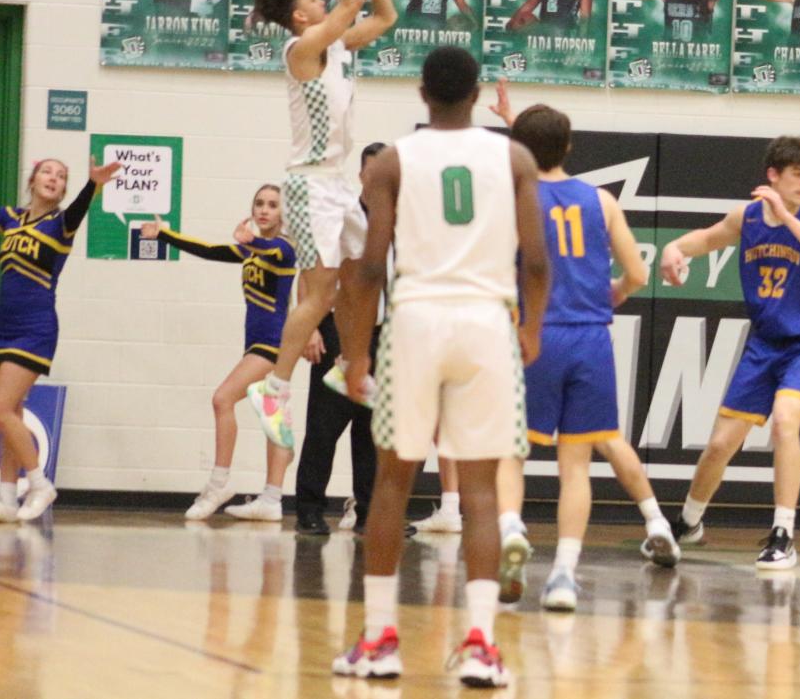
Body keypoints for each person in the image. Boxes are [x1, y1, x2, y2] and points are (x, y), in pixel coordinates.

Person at [330, 46, 548, 686]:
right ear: (479, 93)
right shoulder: (514, 157)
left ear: (422, 93)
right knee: (480, 489)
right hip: (486, 324)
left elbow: (371, 265)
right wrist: (531, 327)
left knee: (392, 483)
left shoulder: (395, 159)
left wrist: (359, 350)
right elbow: (535, 260)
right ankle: (480, 643)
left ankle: (378, 640)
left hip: (416, 321)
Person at [478, 84, 679, 611]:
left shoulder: (512, 198)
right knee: (577, 466)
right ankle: (564, 575)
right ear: (569, 148)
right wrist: (611, 293)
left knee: (511, 452)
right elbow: (636, 272)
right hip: (591, 340)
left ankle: (511, 528)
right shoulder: (602, 201)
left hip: (533, 335)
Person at [245, 0, 397, 453]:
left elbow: (382, 18)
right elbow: (352, 2)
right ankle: (275, 388)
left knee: (366, 273)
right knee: (319, 291)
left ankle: (348, 367)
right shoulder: (301, 49)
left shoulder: (333, 44)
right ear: (301, 17)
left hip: (338, 184)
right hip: (309, 184)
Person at [659, 137, 800, 570]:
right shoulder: (745, 217)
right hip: (765, 344)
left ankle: (783, 533)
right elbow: (705, 240)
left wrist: (787, 217)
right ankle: (689, 523)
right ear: (773, 175)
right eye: (797, 173)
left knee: (784, 422)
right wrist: (673, 249)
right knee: (720, 445)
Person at [138, 187, 298, 521]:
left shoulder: (283, 248)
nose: (264, 210)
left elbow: (267, 247)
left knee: (222, 399)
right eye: (259, 204)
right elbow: (209, 250)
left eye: (272, 205)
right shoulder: (251, 252)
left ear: (284, 213)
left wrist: (250, 240)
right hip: (257, 343)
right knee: (274, 417)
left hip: (272, 344)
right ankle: (272, 499)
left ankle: (219, 483)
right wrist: (165, 234)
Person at [0, 157, 121, 522]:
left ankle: (40, 483)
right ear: (32, 179)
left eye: (61, 177)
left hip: (35, 327)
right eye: (48, 171)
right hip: (3, 327)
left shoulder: (60, 224)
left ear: (62, 190)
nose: (54, 179)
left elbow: (77, 210)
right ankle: (7, 497)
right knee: (10, 414)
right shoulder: (10, 218)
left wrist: (92, 185)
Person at [292, 143, 389, 536]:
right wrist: (310, 328)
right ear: (362, 175)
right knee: (324, 427)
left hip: (384, 334)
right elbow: (310, 275)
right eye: (373, 172)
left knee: (373, 430)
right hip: (340, 332)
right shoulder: (343, 216)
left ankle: (369, 512)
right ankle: (309, 510)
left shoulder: (402, 220)